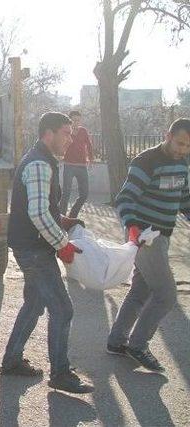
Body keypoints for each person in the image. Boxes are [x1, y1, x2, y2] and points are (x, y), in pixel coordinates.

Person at [2, 112, 94, 394]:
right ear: (48, 133)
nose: (71, 139)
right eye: (66, 133)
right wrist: (62, 244)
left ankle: (12, 360)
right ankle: (61, 374)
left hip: (28, 246)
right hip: (34, 250)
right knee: (63, 310)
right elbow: (39, 214)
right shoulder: (41, 164)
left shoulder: (38, 159)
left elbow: (43, 209)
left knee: (34, 305)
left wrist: (63, 220)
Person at [107, 118, 190, 372]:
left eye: (188, 146)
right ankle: (138, 345)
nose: (182, 149)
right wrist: (133, 226)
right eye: (179, 143)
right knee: (165, 295)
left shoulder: (184, 163)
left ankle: (117, 341)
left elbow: (185, 198)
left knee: (141, 291)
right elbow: (124, 199)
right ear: (167, 135)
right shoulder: (146, 161)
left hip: (162, 236)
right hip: (144, 236)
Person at [59, 110, 94, 218]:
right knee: (66, 193)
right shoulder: (65, 132)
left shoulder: (83, 131)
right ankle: (61, 217)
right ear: (69, 121)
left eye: (78, 120)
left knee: (84, 194)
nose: (76, 122)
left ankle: (72, 215)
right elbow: (60, 147)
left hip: (82, 166)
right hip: (68, 165)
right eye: (74, 120)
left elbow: (89, 145)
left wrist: (91, 159)